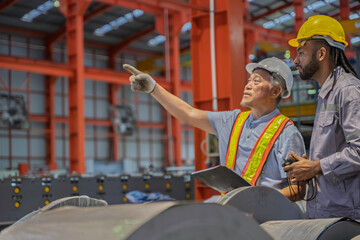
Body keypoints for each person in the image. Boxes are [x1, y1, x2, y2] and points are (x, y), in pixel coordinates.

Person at [123, 57, 306, 201]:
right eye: (249, 80)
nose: (248, 85)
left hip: (270, 213)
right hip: (236, 209)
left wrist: (258, 201)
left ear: (275, 92)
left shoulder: (286, 133)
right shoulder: (233, 121)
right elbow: (188, 114)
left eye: (256, 81)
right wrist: (153, 88)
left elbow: (297, 190)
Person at [285, 15, 360, 219]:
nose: (295, 60)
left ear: (321, 54)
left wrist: (317, 167)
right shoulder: (326, 94)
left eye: (301, 52)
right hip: (324, 212)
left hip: (346, 217)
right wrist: (310, 164)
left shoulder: (348, 91)